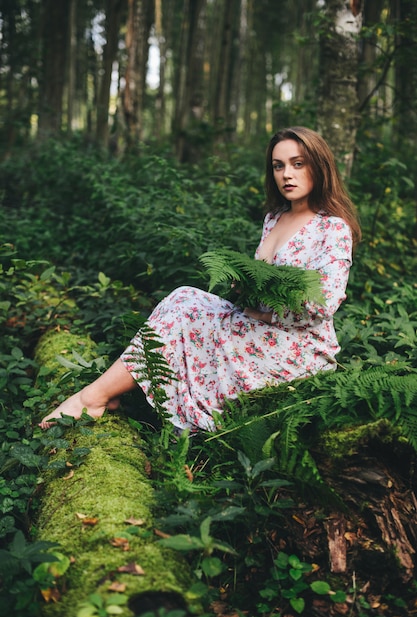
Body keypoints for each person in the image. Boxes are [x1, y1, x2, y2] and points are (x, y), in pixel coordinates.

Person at [39, 127, 361, 432]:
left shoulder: (331, 229)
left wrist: (266, 313)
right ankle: (100, 395)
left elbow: (324, 303)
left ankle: (93, 398)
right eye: (278, 166)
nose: (286, 174)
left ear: (319, 166)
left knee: (184, 311)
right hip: (259, 328)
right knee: (184, 299)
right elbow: (263, 282)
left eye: (297, 163)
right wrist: (245, 286)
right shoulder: (274, 218)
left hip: (297, 347)